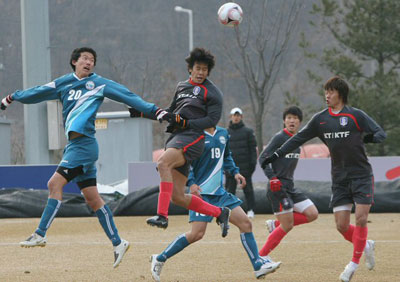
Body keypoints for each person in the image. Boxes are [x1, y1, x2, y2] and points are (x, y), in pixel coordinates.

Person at [0, 47, 171, 268]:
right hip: (77, 146)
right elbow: (39, 92)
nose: (89, 62)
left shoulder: (98, 83)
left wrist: (155, 111)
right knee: (93, 199)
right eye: (85, 59)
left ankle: (40, 233)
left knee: (54, 184)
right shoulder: (63, 83)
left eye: (92, 60)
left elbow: (127, 95)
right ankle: (118, 242)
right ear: (74, 62)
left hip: (84, 146)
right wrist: (12, 97)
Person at [260, 76, 386, 282]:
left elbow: (380, 133)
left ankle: (353, 264)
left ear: (340, 94)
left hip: (362, 175)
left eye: (330, 92)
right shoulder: (320, 119)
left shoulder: (356, 116)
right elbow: (298, 139)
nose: (326, 95)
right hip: (339, 179)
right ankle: (366, 244)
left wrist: (366, 137)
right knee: (341, 226)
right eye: (325, 92)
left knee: (361, 218)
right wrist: (274, 155)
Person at [150, 126, 281, 282]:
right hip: (200, 194)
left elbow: (226, 156)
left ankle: (258, 265)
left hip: (219, 193)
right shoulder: (194, 136)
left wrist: (235, 172)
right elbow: (186, 163)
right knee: (196, 234)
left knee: (246, 223)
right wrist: (191, 183)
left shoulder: (223, 133)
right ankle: (160, 258)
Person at [130, 48, 230, 237]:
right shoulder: (181, 87)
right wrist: (141, 113)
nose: (201, 72)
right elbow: (169, 112)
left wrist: (187, 123)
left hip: (194, 137)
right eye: (197, 68)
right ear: (190, 69)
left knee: (162, 163)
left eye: (204, 69)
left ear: (208, 71)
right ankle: (219, 212)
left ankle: (162, 215)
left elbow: (211, 121)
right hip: (177, 137)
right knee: (177, 197)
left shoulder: (214, 93)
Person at [258, 106, 318, 261]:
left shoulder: (298, 141)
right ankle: (261, 257)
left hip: (290, 187)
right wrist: (272, 178)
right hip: (277, 189)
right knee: (288, 225)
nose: (292, 121)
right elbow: (263, 158)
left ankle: (275, 225)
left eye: (295, 118)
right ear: (284, 121)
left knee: (312, 214)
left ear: (299, 122)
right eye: (289, 118)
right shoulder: (279, 138)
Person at [225, 107, 257, 218]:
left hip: (245, 167)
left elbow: (253, 150)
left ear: (241, 117)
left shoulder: (248, 132)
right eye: (234, 115)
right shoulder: (225, 133)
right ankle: (227, 210)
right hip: (230, 168)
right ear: (231, 117)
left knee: (248, 191)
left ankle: (251, 210)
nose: (236, 117)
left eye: (238, 115)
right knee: (229, 191)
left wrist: (252, 165)